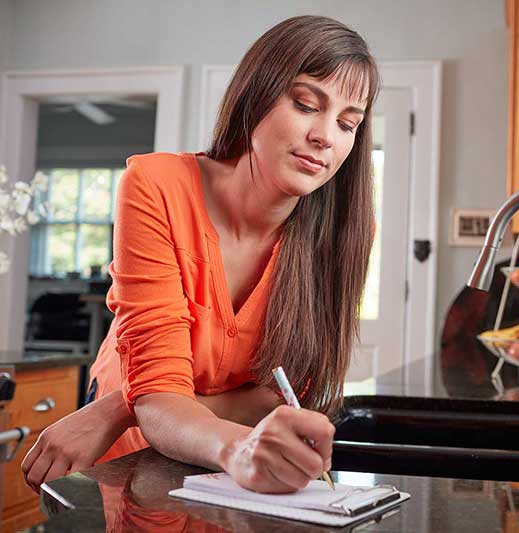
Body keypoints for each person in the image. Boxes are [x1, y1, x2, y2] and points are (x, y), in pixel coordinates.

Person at [22, 15, 378, 495]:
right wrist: (171, 415)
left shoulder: (347, 233)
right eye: (305, 104)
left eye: (347, 123)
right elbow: (163, 399)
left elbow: (274, 398)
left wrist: (120, 407)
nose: (325, 136)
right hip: (136, 453)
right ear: (256, 98)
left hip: (208, 452)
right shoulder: (157, 188)